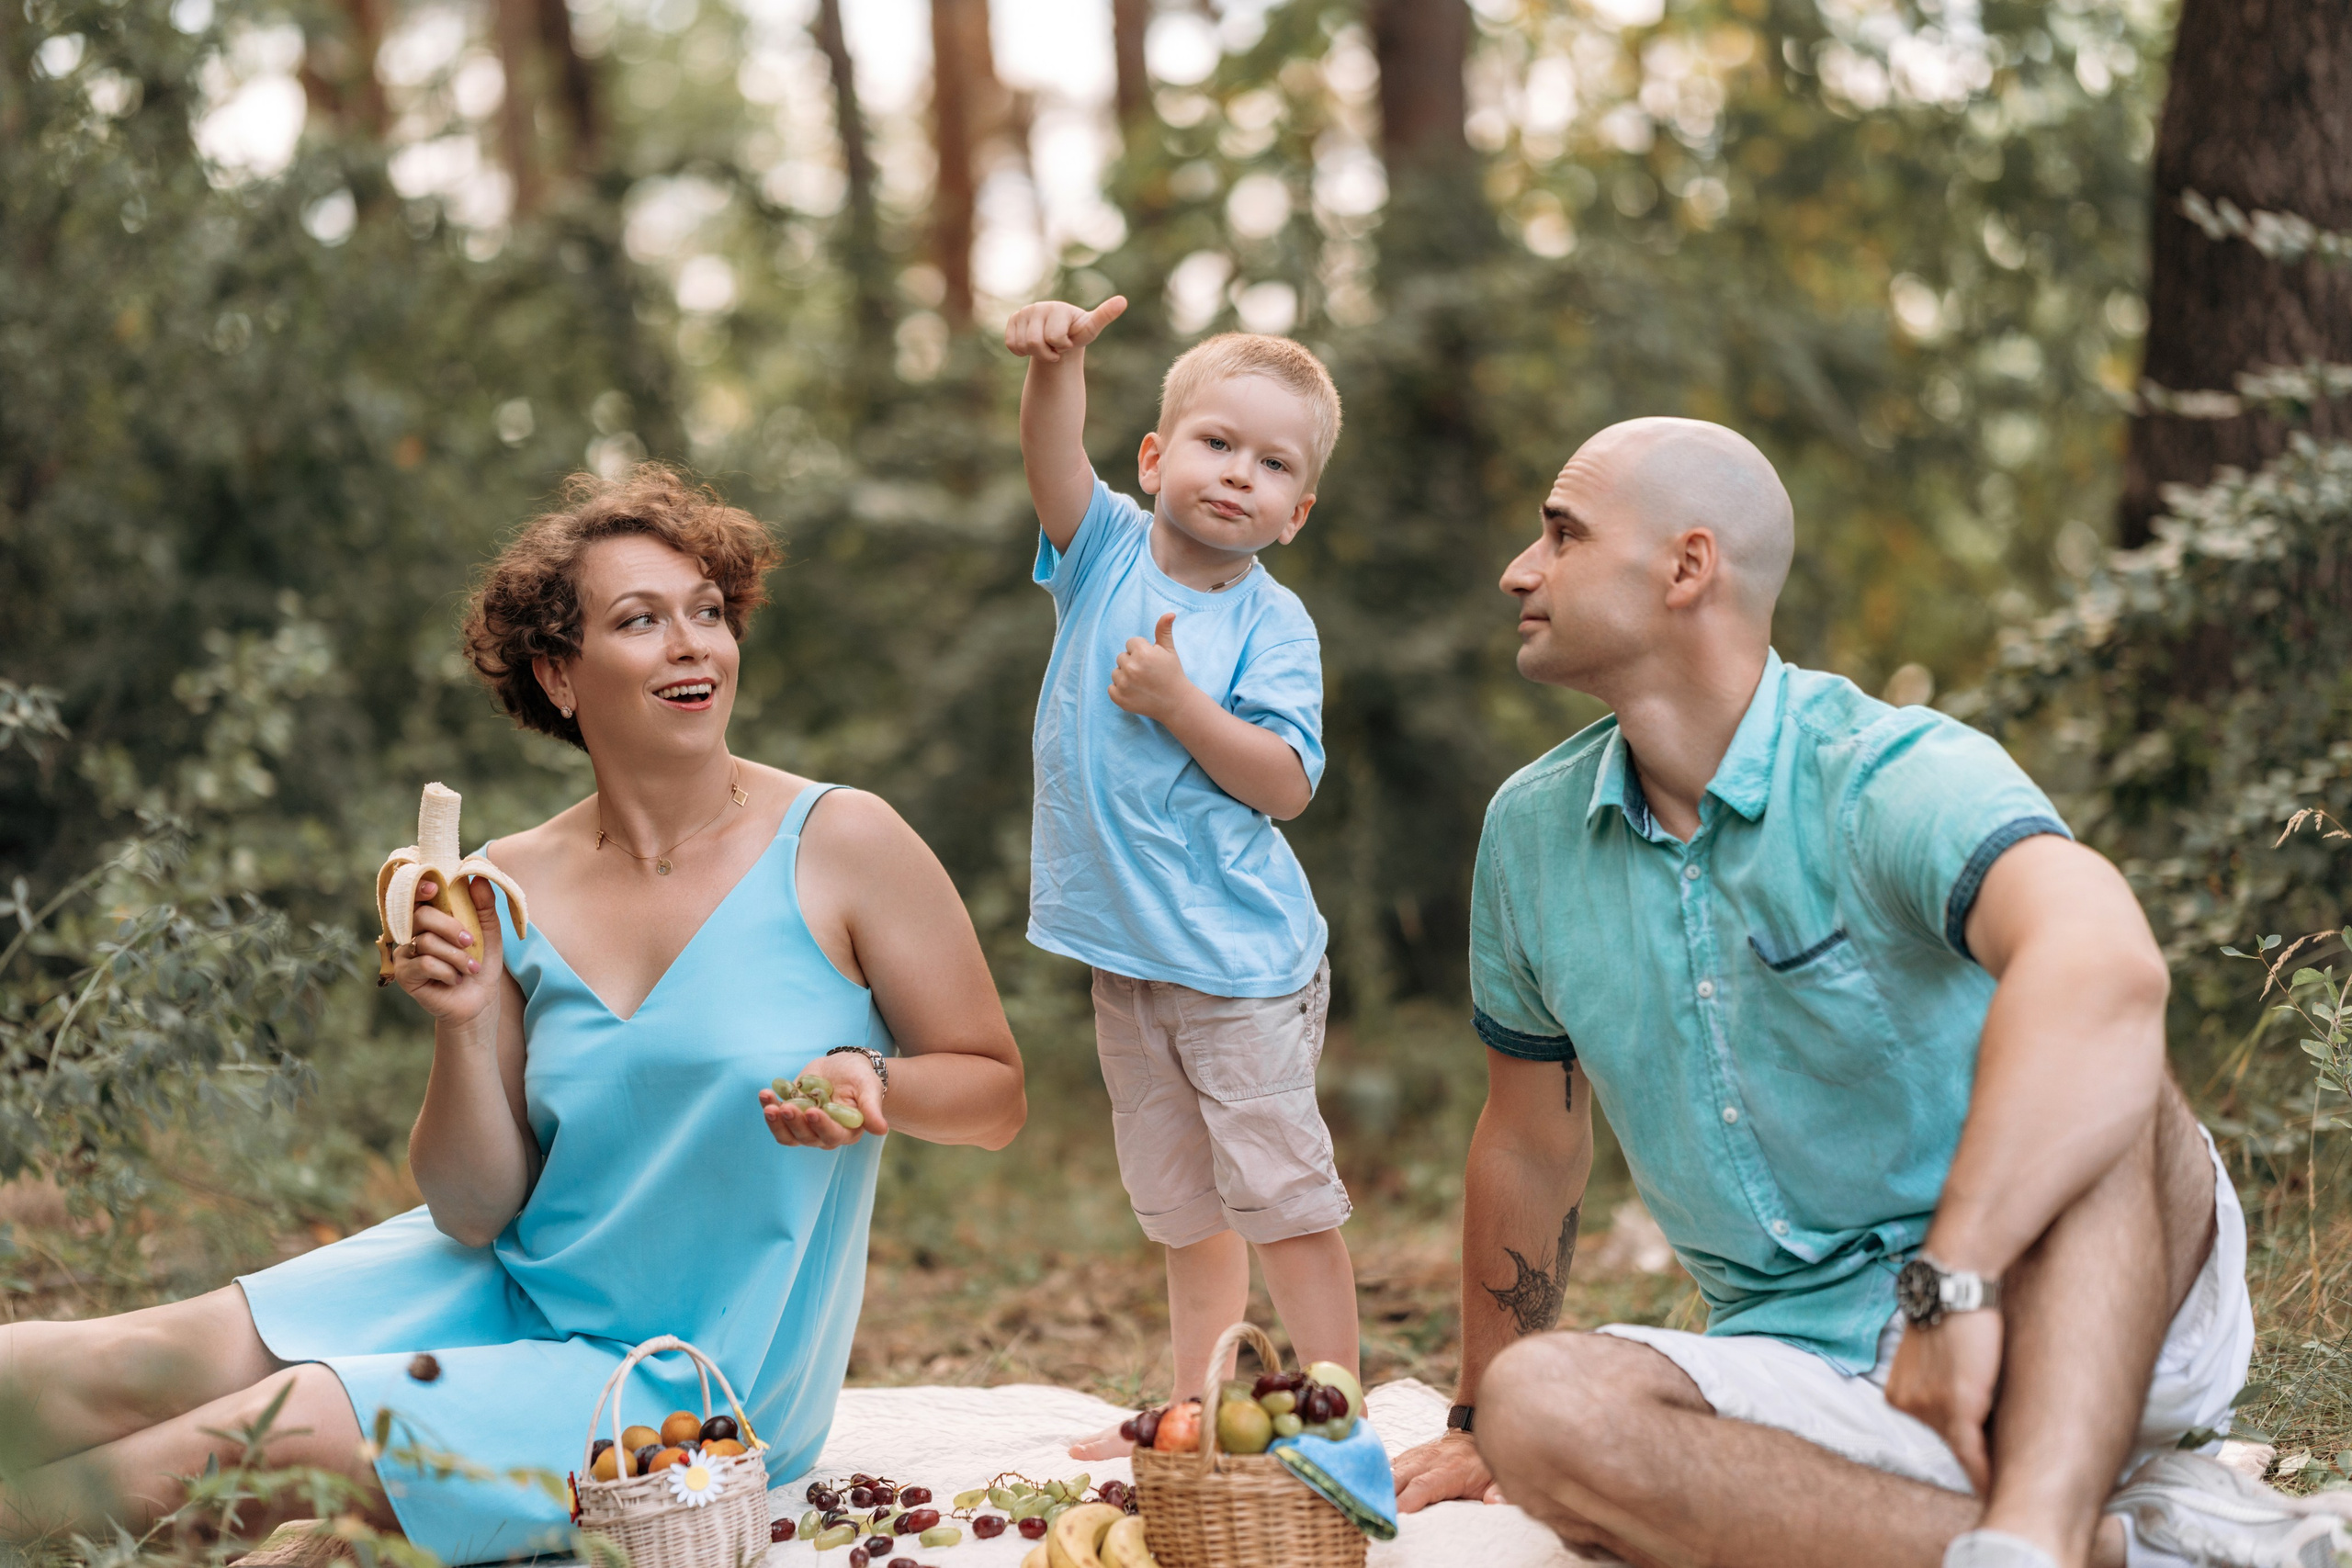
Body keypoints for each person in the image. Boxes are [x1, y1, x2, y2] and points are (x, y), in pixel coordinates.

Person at [0, 467, 1028, 1562]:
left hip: (682, 1379)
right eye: (641, 620)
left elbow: (995, 1094)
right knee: (76, 1368)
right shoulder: (501, 884)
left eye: (708, 613)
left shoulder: (844, 843)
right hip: (497, 1282)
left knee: (272, 1435)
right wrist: (464, 1019)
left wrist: (878, 1083)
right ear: (560, 673)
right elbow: (475, 1208)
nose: (693, 645)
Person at [1389, 418, 2352, 1568]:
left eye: (1560, 534)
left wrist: (1955, 1282)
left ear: (1686, 567)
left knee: (2111, 1062)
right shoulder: (1530, 834)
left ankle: (2033, 1530)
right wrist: (1475, 1415)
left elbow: (2108, 967)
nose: (1520, 568)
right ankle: (2115, 1548)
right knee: (1543, 1406)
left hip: (2069, 1310)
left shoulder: (1887, 771)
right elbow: (1528, 1142)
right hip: (1807, 1371)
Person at [1002, 296, 1357, 1458]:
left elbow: (1285, 783)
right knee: (1183, 1208)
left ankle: (1333, 1410)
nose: (1237, 475)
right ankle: (1199, 1410)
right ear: (1154, 458)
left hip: (1241, 966)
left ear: (1294, 513)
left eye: (1271, 466)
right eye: (1215, 444)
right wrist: (1059, 366)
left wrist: (1178, 702)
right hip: (1132, 964)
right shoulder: (1101, 548)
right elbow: (1052, 457)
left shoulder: (1275, 623)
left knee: (1282, 1199)